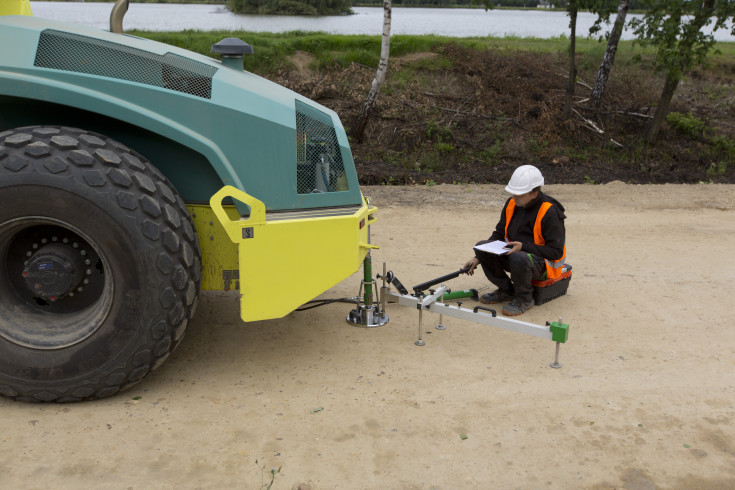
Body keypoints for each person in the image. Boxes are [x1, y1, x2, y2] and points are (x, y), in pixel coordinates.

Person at [464, 165, 566, 316]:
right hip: (516, 255)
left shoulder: (550, 212)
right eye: (513, 193)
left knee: (519, 257)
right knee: (481, 247)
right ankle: (507, 291)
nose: (514, 197)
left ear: (534, 193)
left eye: (519, 194)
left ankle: (524, 299)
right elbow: (499, 233)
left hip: (542, 263)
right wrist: (478, 257)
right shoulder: (512, 204)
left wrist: (524, 247)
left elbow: (556, 252)